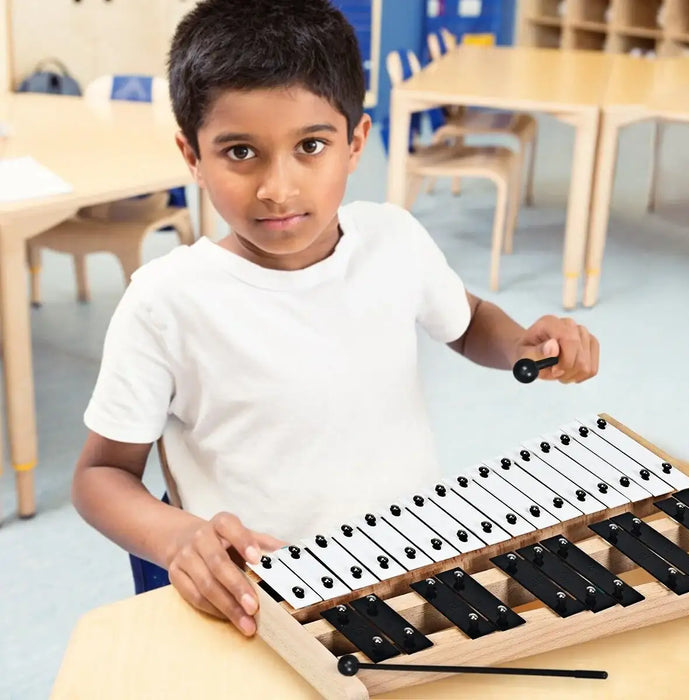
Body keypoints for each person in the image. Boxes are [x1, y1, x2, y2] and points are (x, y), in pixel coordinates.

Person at [72, 0, 599, 639]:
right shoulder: (163, 302)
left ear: (355, 143)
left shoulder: (395, 239)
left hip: (408, 563)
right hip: (260, 598)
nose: (278, 188)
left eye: (311, 146)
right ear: (192, 155)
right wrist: (179, 539)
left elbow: (466, 322)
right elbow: (102, 476)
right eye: (241, 152)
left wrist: (523, 341)